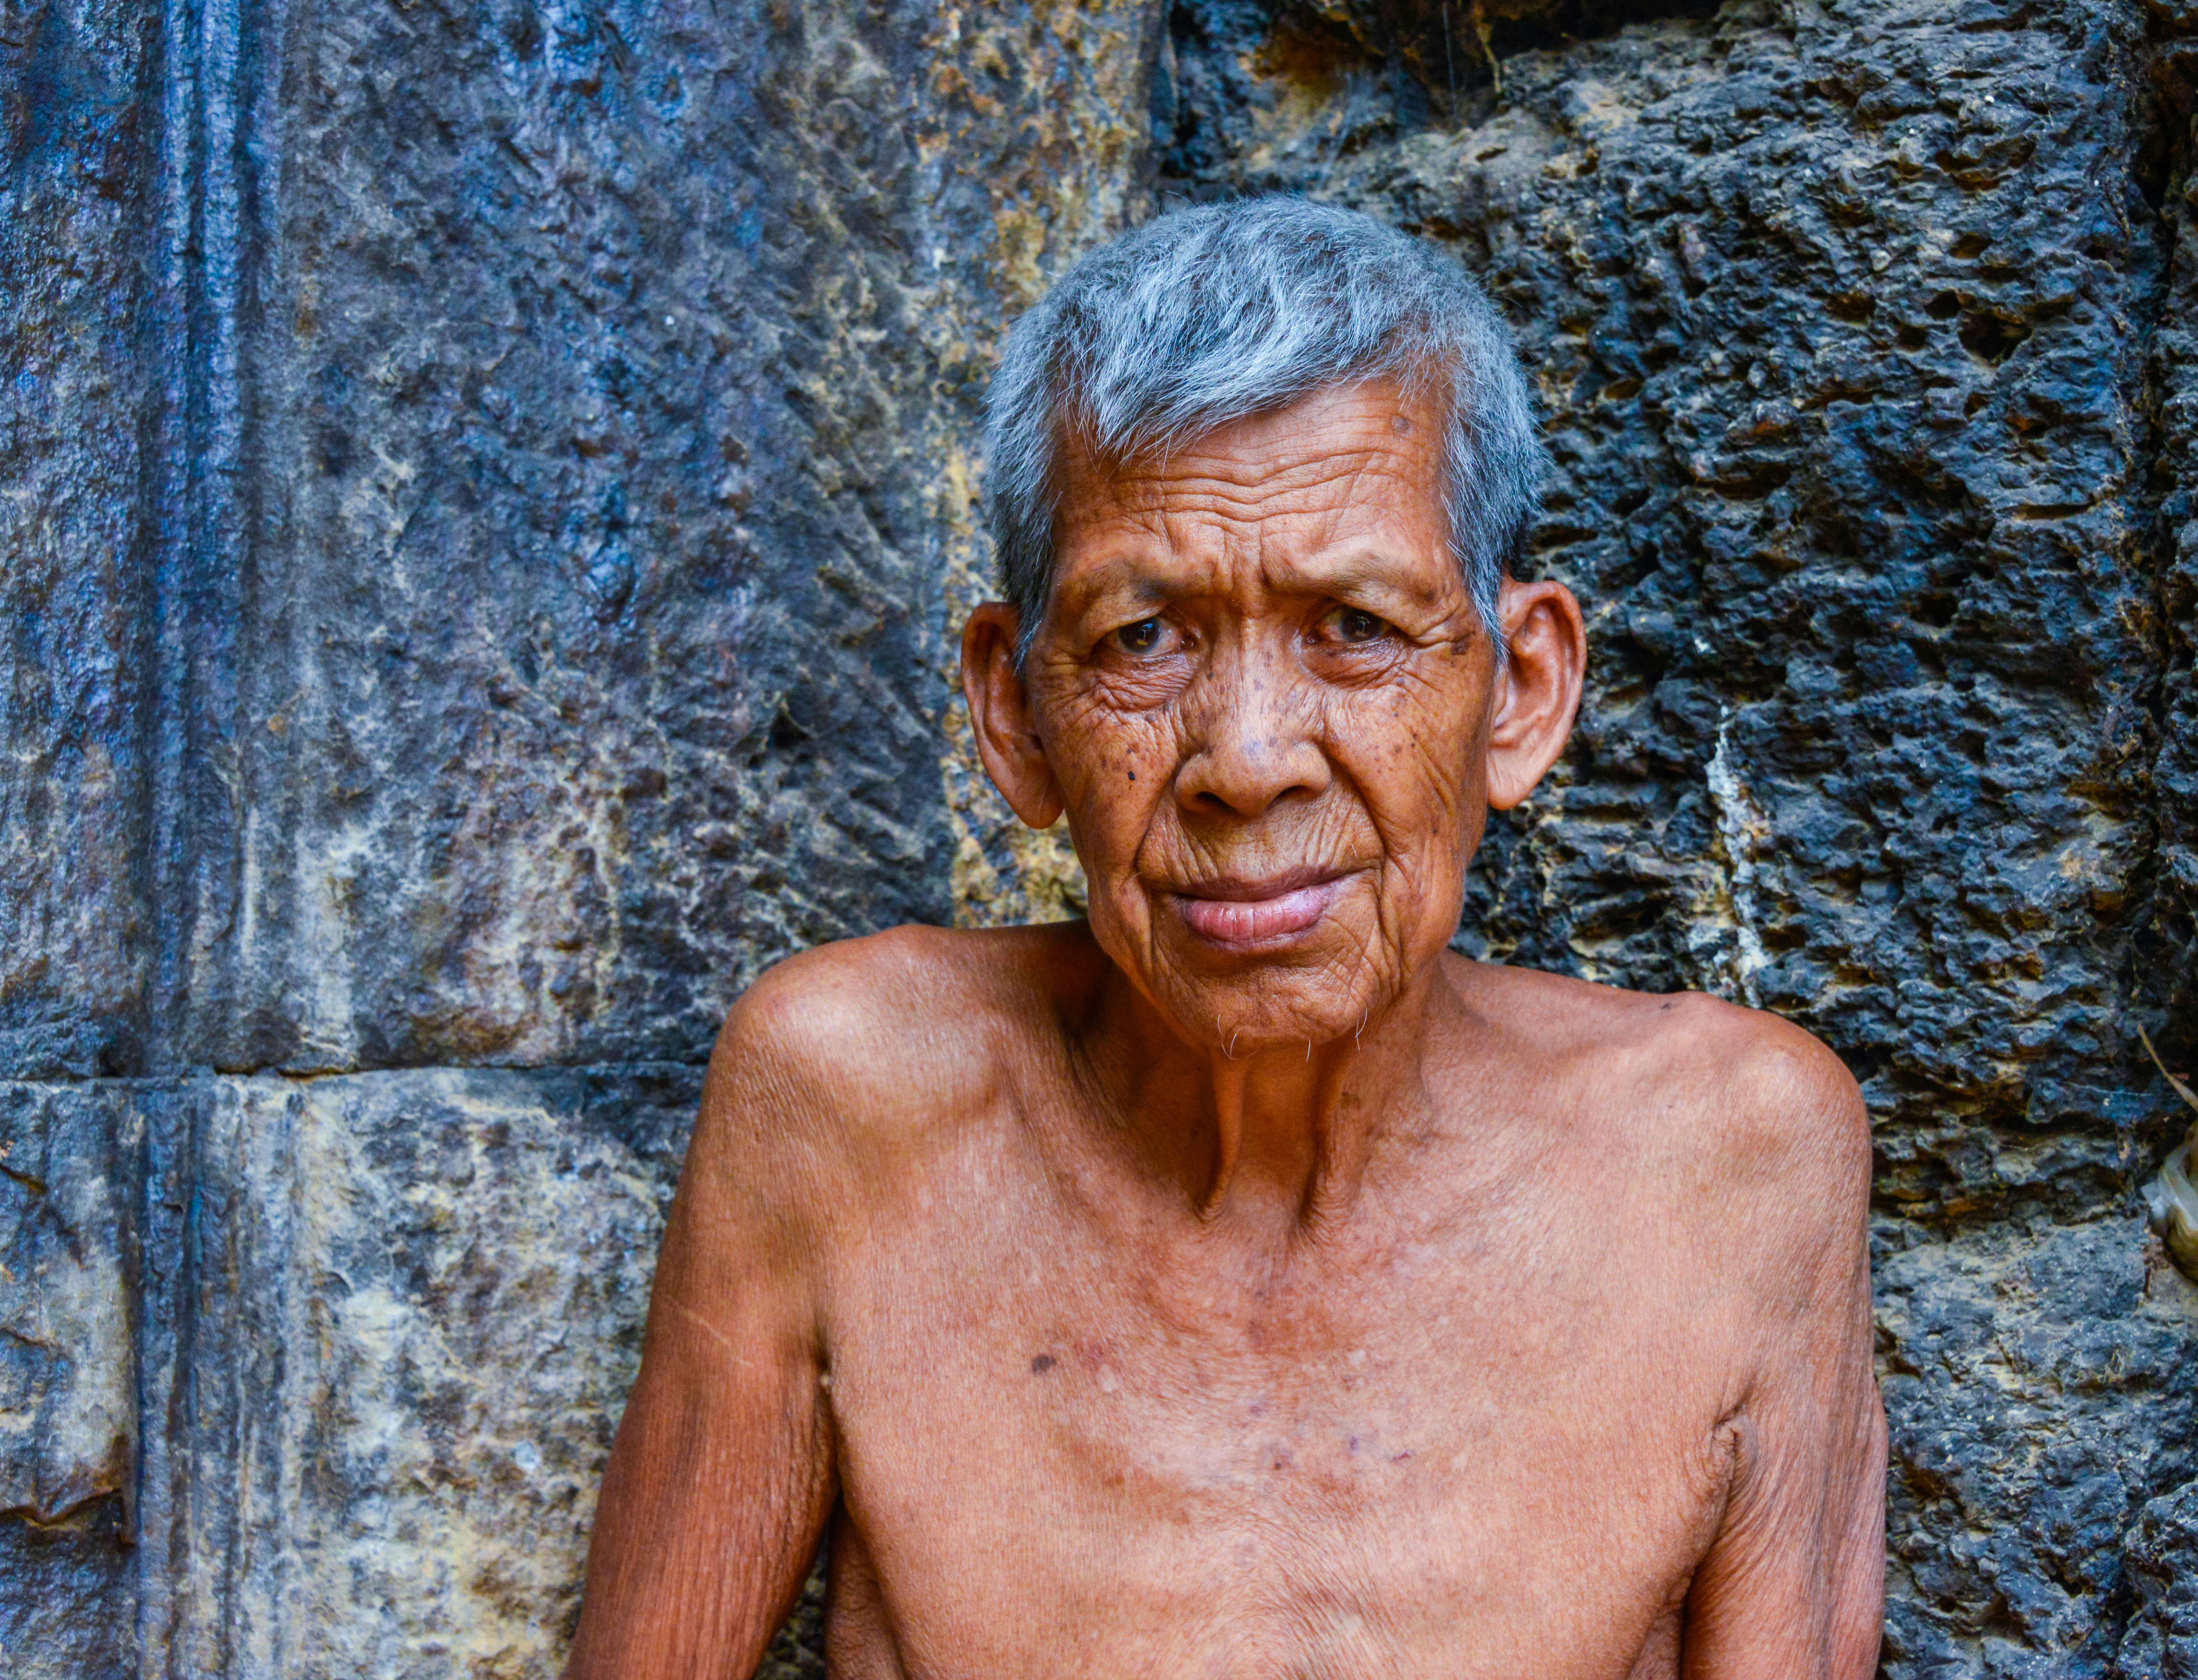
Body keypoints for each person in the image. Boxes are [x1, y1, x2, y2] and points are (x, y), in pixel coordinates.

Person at [565, 197, 1883, 1680]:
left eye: (1355, 628)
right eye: (1143, 638)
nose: (1247, 757)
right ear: (1015, 712)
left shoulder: (1735, 1160)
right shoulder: (854, 1108)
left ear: (1520, 692)